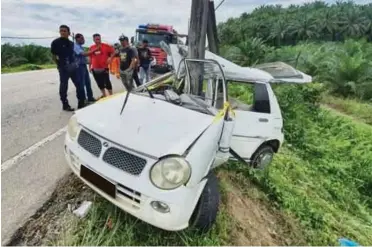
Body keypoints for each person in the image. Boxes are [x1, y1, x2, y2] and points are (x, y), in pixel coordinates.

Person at [51, 25, 86, 111]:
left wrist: (75, 64)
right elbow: (53, 56)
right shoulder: (55, 42)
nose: (62, 32)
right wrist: (58, 65)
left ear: (69, 33)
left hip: (73, 67)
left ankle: (81, 103)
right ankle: (65, 104)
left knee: (79, 85)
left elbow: (74, 55)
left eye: (64, 31)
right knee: (64, 86)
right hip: (63, 68)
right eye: (61, 31)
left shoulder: (71, 44)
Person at [89, 33, 115, 98]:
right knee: (99, 83)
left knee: (107, 82)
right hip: (95, 69)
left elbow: (114, 52)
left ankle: (111, 95)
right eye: (96, 39)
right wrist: (89, 67)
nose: (98, 40)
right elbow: (90, 57)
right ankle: (104, 95)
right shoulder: (91, 47)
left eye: (99, 39)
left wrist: (110, 58)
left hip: (104, 68)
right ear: (93, 40)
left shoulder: (106, 46)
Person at [74, 33, 97, 103]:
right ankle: (83, 100)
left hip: (83, 66)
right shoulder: (75, 46)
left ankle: (90, 97)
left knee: (88, 82)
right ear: (77, 39)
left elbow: (84, 57)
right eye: (82, 38)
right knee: (81, 84)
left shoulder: (80, 46)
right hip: (79, 67)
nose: (83, 40)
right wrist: (94, 50)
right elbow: (83, 54)